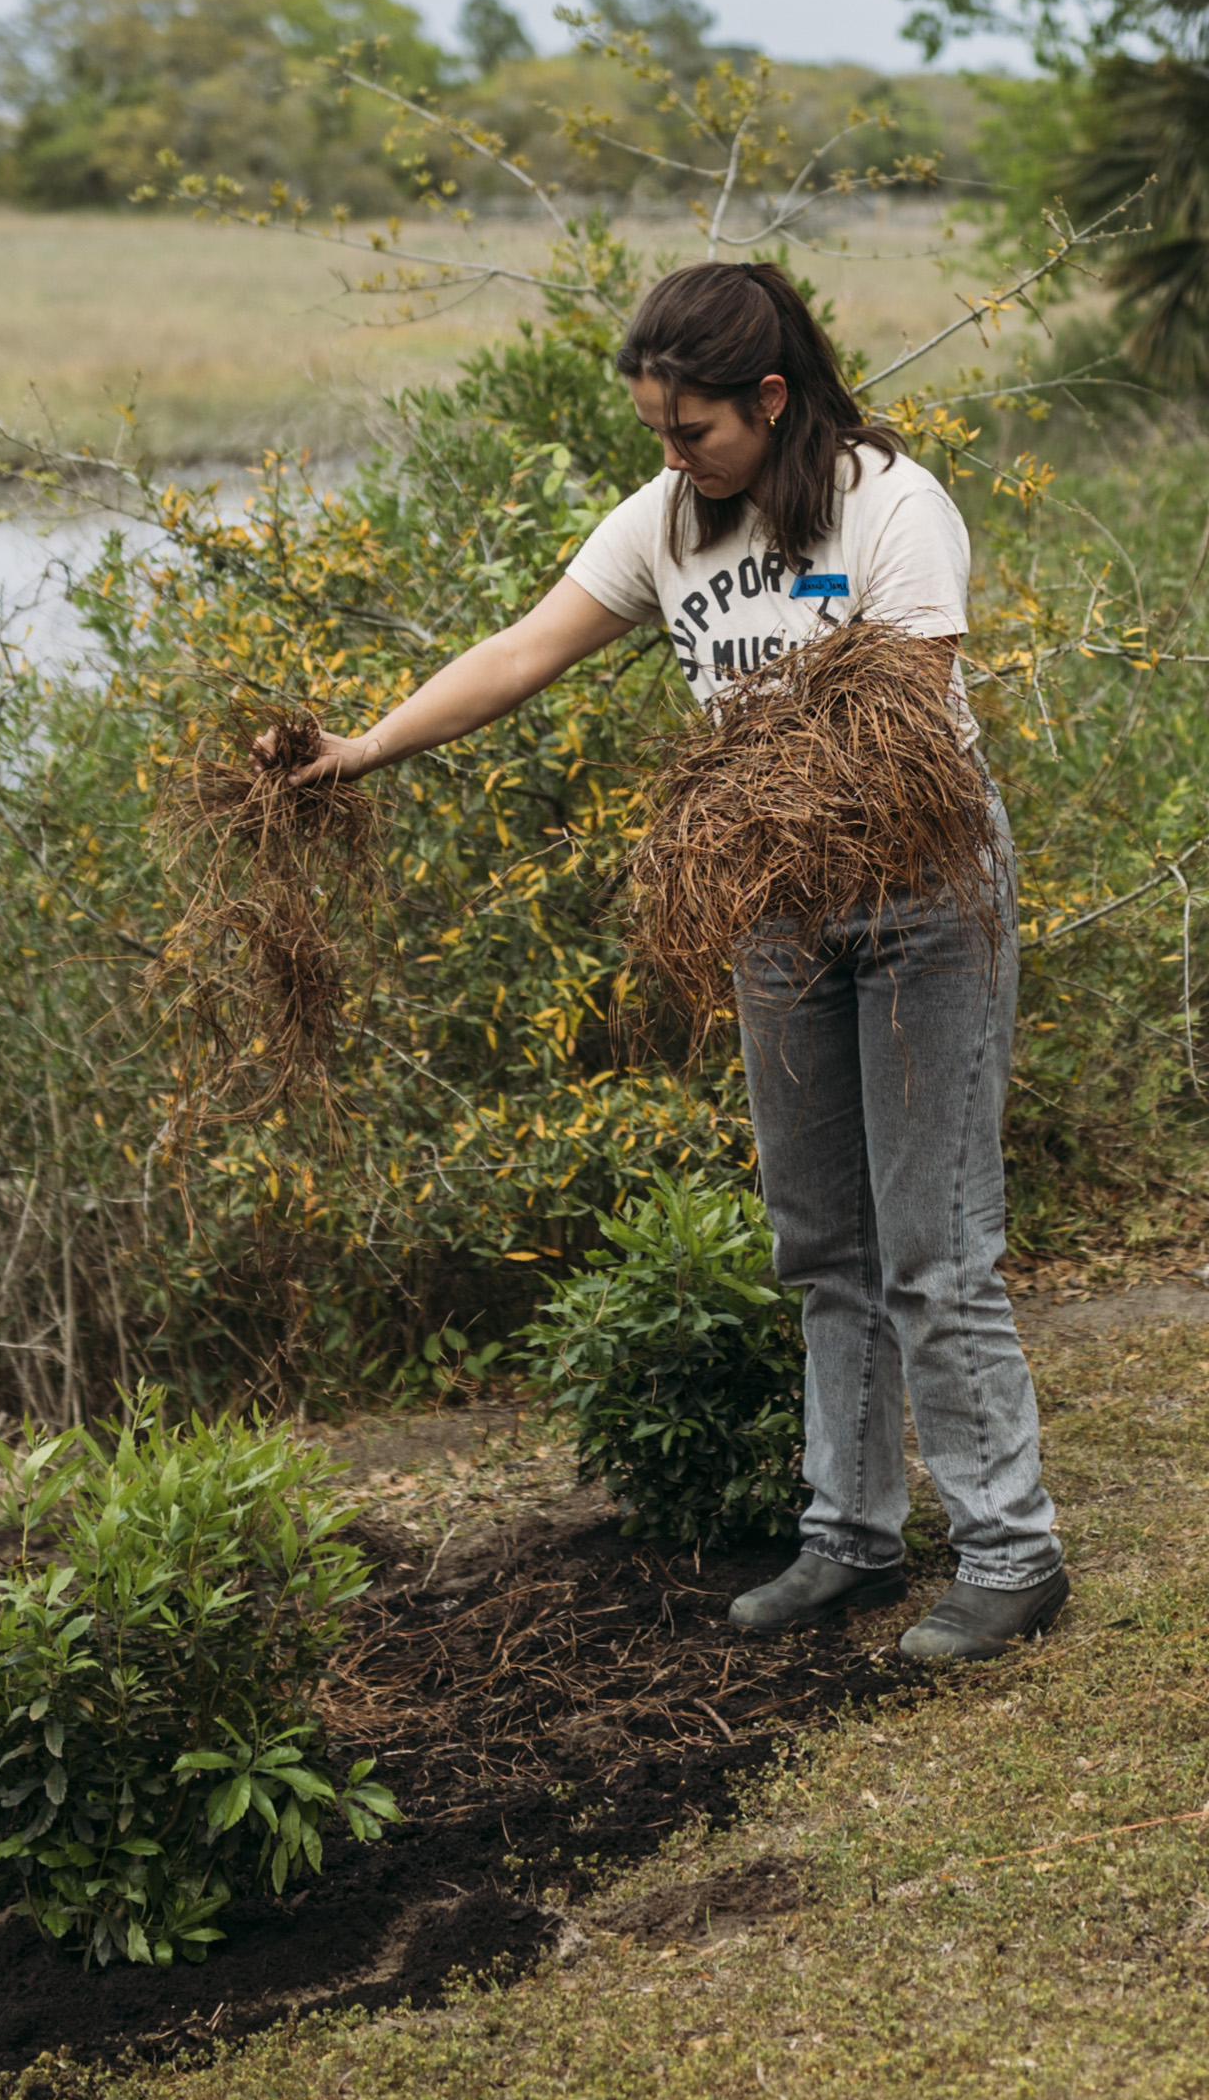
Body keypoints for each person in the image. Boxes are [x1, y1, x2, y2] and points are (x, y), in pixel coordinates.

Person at [282, 260, 1070, 1667]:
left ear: (769, 398)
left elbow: (903, 716)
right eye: (655, 430)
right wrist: (364, 747)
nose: (671, 455)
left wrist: (736, 790)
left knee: (935, 1246)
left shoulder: (894, 506)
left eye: (691, 429)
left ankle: (1011, 1554)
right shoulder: (665, 519)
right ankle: (849, 1536)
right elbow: (523, 649)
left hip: (922, 889)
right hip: (772, 898)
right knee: (819, 1238)